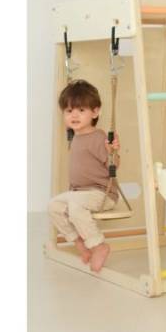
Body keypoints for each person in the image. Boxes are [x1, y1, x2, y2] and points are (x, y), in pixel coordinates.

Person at [48, 80, 120, 272]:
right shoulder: (73, 136)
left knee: (75, 206)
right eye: (69, 111)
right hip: (79, 193)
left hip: (101, 193)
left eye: (81, 110)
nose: (74, 115)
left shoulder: (99, 137)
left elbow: (113, 166)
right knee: (54, 205)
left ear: (95, 112)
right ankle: (80, 243)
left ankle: (98, 246)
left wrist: (112, 151)